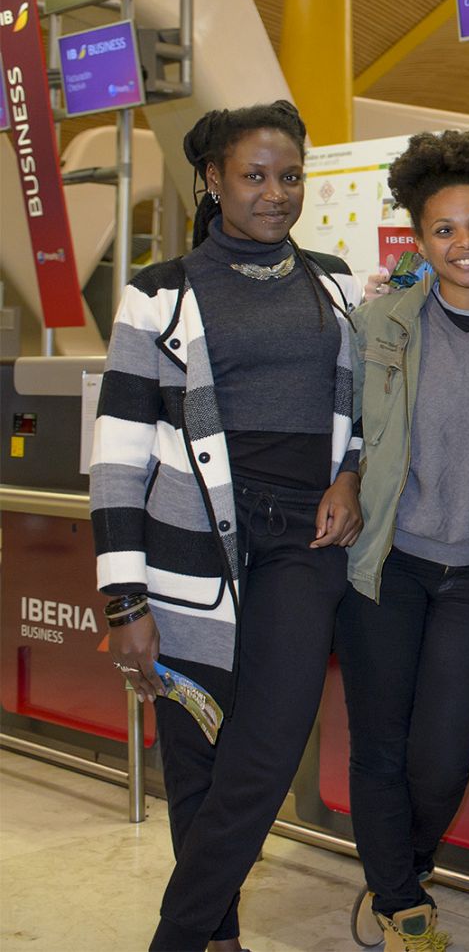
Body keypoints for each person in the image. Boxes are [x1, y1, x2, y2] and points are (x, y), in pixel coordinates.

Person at [92, 100, 363, 951]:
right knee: (198, 755)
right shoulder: (157, 293)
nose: (276, 194)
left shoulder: (334, 279)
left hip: (304, 540)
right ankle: (218, 935)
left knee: (268, 747)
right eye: (254, 175)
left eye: (290, 176)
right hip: (190, 543)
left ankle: (173, 936)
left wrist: (350, 470)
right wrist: (123, 599)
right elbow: (118, 454)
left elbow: (358, 409)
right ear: (212, 180)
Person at [339, 130, 469, 950]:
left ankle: (395, 874)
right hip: (389, 560)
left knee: (444, 755)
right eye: (445, 229)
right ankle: (399, 897)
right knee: (379, 739)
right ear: (419, 239)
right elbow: (340, 424)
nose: (465, 244)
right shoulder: (381, 319)